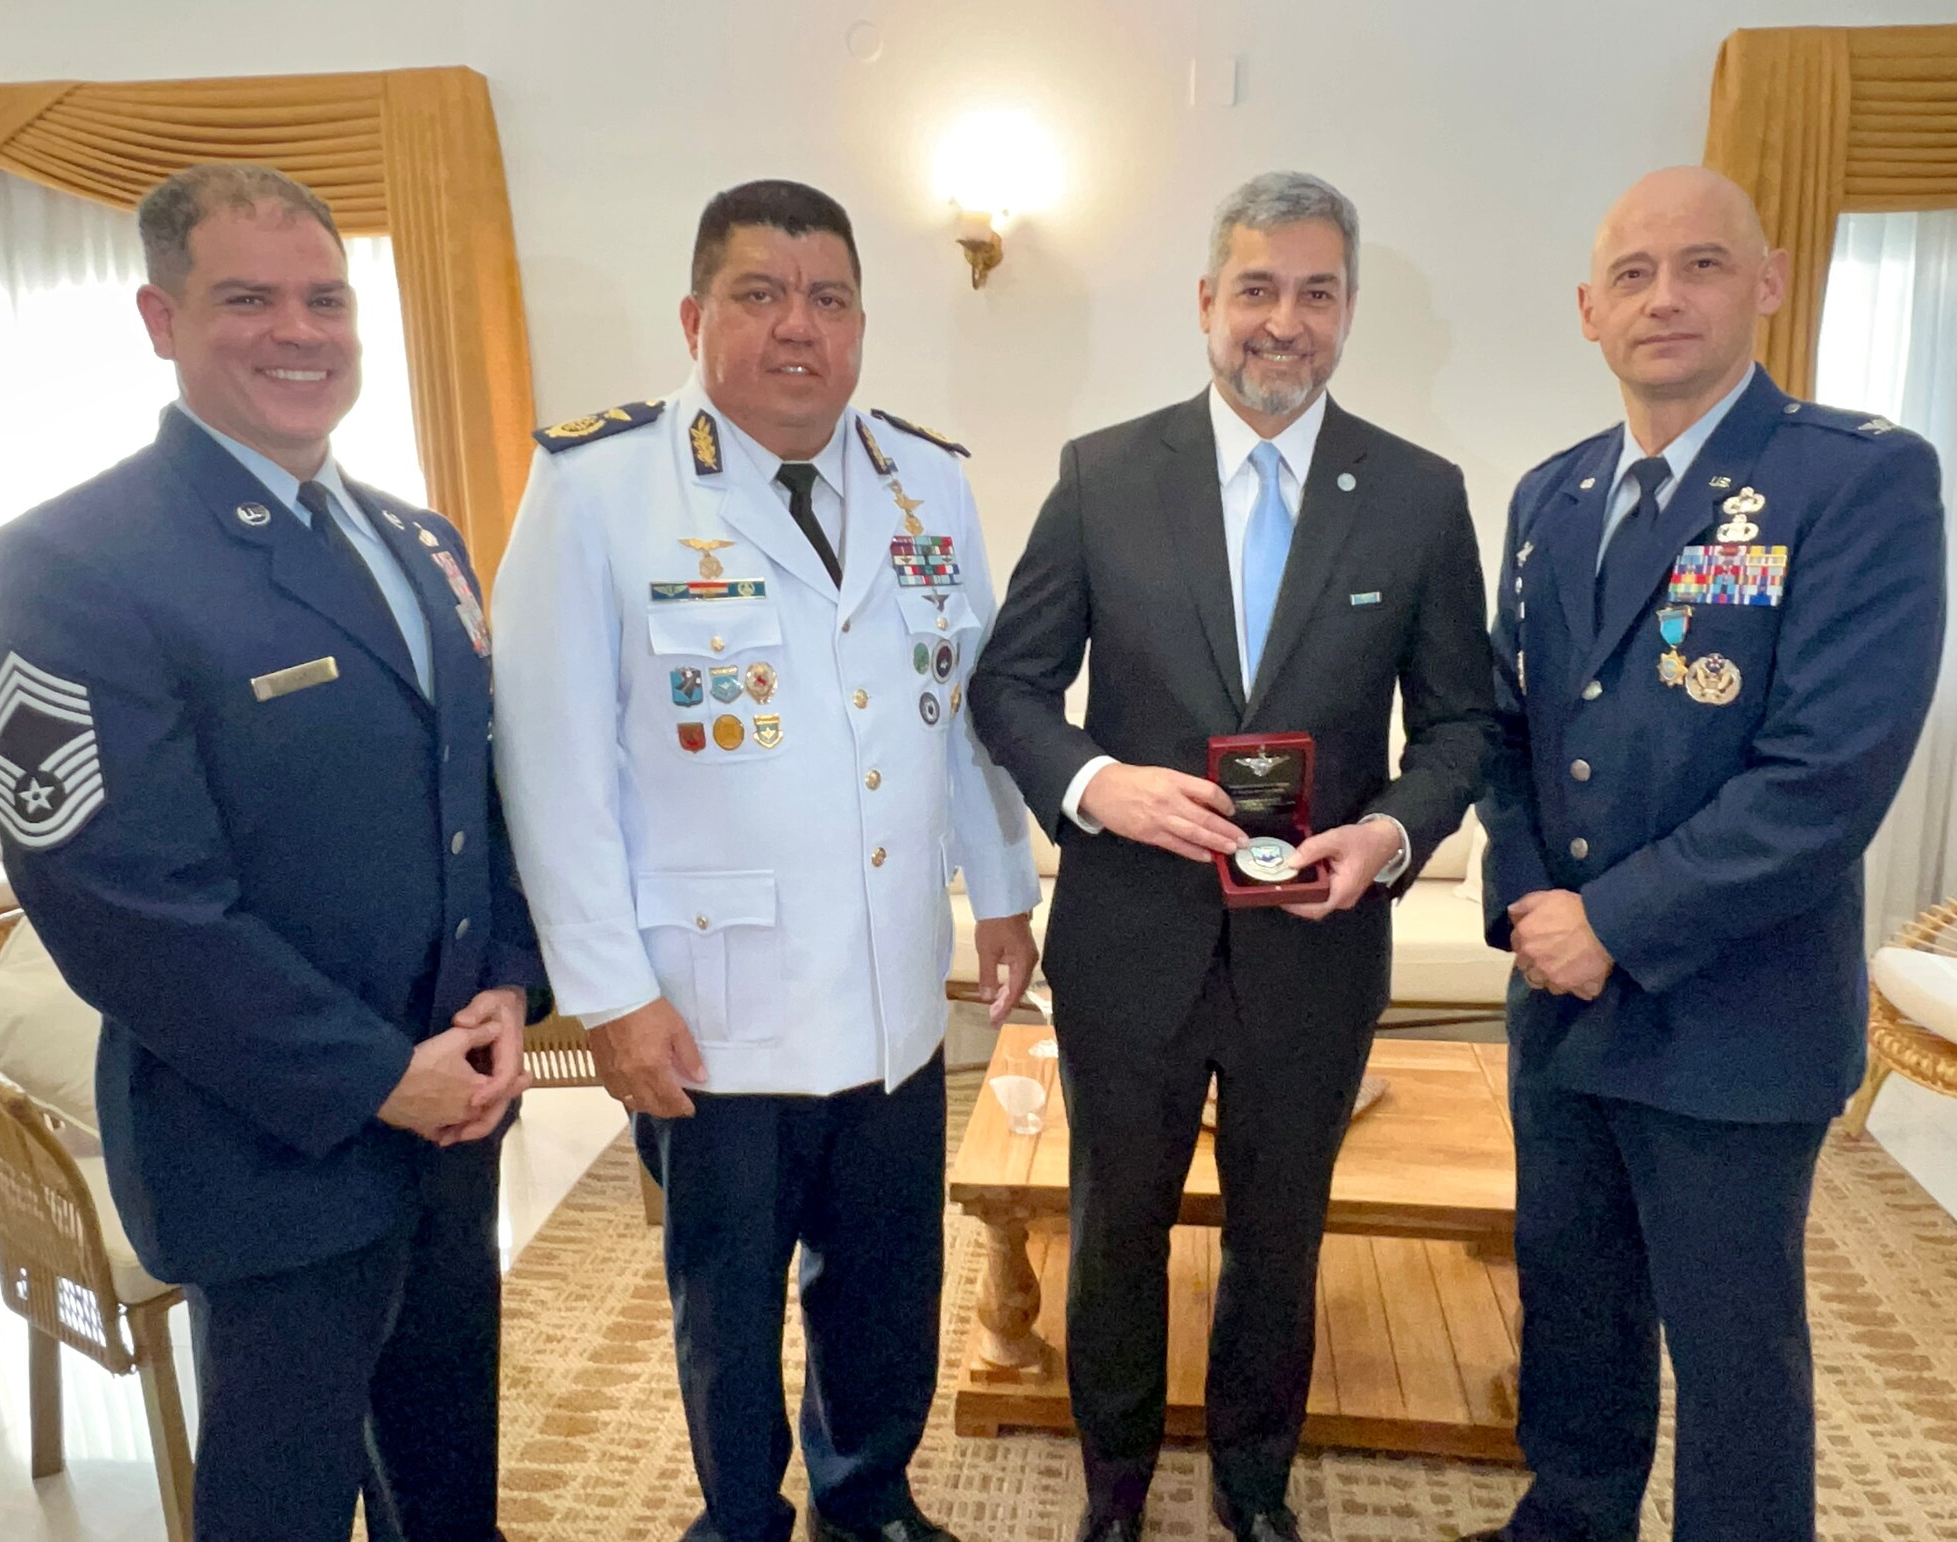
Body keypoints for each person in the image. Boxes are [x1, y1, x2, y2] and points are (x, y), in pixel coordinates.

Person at [0, 163, 546, 1542]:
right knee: (277, 1501)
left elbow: (480, 794)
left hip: (450, 1116)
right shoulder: (72, 557)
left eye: (325, 298)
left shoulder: (420, 539)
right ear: (160, 319)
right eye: (248, 299)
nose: (301, 330)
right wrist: (372, 1076)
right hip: (272, 1141)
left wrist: (511, 985)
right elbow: (122, 899)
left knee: (447, 1479)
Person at [490, 178, 1041, 1542]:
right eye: (760, 294)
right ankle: (740, 1510)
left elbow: (966, 705)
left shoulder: (931, 477)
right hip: (707, 1002)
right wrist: (608, 993)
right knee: (724, 1295)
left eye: (830, 299)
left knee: (886, 1279)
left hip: (892, 991)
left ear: (860, 324)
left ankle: (869, 1494)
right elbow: (548, 768)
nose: (799, 327)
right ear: (694, 315)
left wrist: (1007, 890)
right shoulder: (597, 487)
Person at [967, 171, 1494, 1542]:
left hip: (1315, 946)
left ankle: (1256, 1487)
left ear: (1349, 313)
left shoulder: (1421, 499)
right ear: (1206, 303)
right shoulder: (1101, 476)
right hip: (1130, 935)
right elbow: (1010, 686)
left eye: (1316, 293)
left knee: (1281, 1241)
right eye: (1257, 288)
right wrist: (1097, 782)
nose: (1284, 322)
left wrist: (1388, 835)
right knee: (1114, 1231)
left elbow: (1461, 722)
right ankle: (1117, 1488)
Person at [1466, 166, 1945, 1542]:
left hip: (1729, 1014)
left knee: (1734, 1356)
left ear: (1770, 281)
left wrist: (1611, 918)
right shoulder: (1552, 497)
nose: (1663, 297)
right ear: (1587, 309)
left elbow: (1826, 777)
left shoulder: (1857, 480)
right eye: (1632, 273)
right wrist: (1527, 907)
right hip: (1561, 1001)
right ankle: (1568, 1519)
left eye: (1703, 266)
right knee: (1575, 1308)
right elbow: (1507, 734)